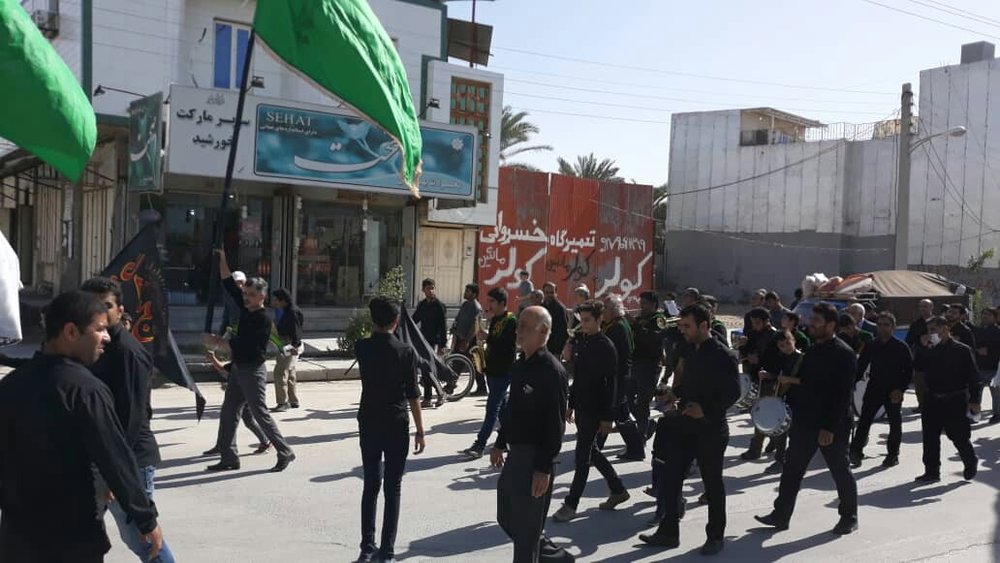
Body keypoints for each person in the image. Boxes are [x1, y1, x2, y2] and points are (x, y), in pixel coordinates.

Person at [0, 291, 164, 562]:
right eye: (99, 329)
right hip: (72, 537)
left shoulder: (10, 386)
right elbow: (115, 457)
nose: (107, 337)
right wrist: (146, 519)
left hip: (18, 539)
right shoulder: (86, 391)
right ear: (71, 332)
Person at [79, 277, 175, 563]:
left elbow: (131, 420)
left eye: (106, 306)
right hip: (102, 458)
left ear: (120, 311)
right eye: (91, 305)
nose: (98, 311)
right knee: (79, 534)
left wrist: (116, 473)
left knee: (143, 539)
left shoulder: (127, 353)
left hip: (129, 459)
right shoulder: (94, 346)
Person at [638, 304, 739, 555]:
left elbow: (733, 393)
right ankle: (668, 532)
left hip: (711, 428)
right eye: (681, 325)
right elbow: (689, 384)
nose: (682, 330)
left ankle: (715, 537)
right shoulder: (690, 349)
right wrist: (674, 394)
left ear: (704, 326)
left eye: (687, 326)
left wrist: (706, 411)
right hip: (685, 424)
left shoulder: (723, 355)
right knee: (671, 478)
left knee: (712, 484)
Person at [755, 303, 859, 535]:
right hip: (805, 421)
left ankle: (849, 517)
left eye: (817, 321)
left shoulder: (844, 354)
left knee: (840, 470)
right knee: (792, 469)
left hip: (832, 425)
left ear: (831, 325)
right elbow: (805, 383)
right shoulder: (812, 350)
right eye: (811, 320)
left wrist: (829, 428)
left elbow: (842, 396)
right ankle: (781, 515)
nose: (811, 324)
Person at [203, 248, 295, 472]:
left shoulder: (263, 319)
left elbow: (246, 346)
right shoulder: (245, 309)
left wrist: (217, 342)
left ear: (262, 296)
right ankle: (229, 458)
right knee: (228, 413)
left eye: (251, 294)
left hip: (252, 371)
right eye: (245, 293)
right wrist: (223, 258)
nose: (246, 297)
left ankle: (285, 451)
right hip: (238, 369)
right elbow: (228, 283)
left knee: (260, 413)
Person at [491, 306, 568, 563]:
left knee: (526, 534)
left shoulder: (552, 371)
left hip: (536, 457)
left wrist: (543, 469)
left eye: (525, 326)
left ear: (543, 331)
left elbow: (555, 425)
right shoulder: (520, 365)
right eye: (518, 325)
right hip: (516, 455)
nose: (518, 331)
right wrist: (500, 442)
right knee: (506, 516)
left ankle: (537, 554)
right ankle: (555, 557)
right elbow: (512, 410)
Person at [354, 297, 427, 563]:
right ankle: (387, 550)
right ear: (397, 321)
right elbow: (413, 394)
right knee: (392, 487)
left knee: (370, 485)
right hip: (396, 422)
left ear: (373, 320)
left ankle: (366, 548)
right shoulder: (406, 352)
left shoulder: (361, 347)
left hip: (369, 421)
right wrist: (420, 430)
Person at [552, 300, 629, 523]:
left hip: (597, 409)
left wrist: (607, 417)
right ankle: (617, 489)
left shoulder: (606, 346)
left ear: (599, 319)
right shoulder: (583, 342)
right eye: (581, 320)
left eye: (587, 320)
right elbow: (578, 377)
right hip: (583, 407)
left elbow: (611, 384)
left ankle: (571, 504)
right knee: (592, 451)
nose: (583, 324)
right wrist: (571, 403)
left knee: (582, 457)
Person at [912, 316, 979, 483]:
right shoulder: (928, 349)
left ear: (945, 328)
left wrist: (975, 400)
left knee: (958, 435)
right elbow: (918, 367)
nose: (931, 334)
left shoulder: (961, 350)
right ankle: (931, 471)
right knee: (930, 436)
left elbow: (973, 376)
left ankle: (970, 461)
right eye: (929, 330)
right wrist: (923, 348)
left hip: (955, 398)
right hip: (932, 397)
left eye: (934, 330)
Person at [849, 312, 913, 469]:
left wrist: (900, 389)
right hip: (874, 387)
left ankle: (893, 455)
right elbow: (861, 366)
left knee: (894, 423)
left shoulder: (901, 347)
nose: (882, 328)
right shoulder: (871, 345)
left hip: (894, 390)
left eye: (886, 325)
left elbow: (908, 371)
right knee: (864, 421)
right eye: (880, 324)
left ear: (893, 327)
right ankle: (856, 452)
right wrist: (851, 384)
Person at [462, 287, 518, 460]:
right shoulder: (495, 319)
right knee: (502, 409)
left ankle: (480, 444)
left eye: (492, 301)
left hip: (503, 370)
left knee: (492, 409)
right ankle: (508, 439)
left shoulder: (511, 320)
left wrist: (488, 337)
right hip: (492, 368)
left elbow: (508, 345)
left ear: (502, 303)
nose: (489, 305)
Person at [602, 294, 646, 461]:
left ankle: (594, 450)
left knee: (611, 412)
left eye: (605, 308)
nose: (602, 311)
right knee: (621, 414)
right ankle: (636, 448)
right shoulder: (617, 324)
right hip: (621, 375)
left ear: (614, 310)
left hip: (618, 376)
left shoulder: (617, 327)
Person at [204, 350, 271, 455]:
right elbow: (223, 369)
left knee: (231, 419)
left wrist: (212, 358)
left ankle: (223, 445)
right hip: (240, 392)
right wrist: (212, 359)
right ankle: (265, 441)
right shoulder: (238, 360)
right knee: (245, 420)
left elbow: (223, 369)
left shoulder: (246, 359)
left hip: (244, 393)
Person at [762, 331, 806, 475]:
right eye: (782, 345)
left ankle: (791, 460)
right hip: (784, 397)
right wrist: (768, 375)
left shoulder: (803, 359)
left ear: (794, 341)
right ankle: (780, 460)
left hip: (799, 399)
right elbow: (778, 376)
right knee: (782, 430)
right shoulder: (781, 358)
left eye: (788, 343)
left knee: (795, 434)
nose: (786, 347)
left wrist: (790, 380)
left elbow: (808, 381)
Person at [631, 291, 667, 439]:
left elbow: (653, 339)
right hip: (635, 363)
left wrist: (635, 326)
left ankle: (642, 434)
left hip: (650, 365)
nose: (641, 307)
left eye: (644, 304)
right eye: (641, 303)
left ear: (653, 305)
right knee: (627, 399)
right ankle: (647, 423)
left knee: (643, 401)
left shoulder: (659, 319)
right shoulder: (639, 318)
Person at [413, 278, 448, 407]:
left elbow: (443, 327)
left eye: (432, 288)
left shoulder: (439, 306)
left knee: (430, 370)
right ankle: (427, 398)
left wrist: (442, 345)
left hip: (434, 342)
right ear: (423, 290)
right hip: (423, 341)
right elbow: (414, 320)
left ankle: (440, 393)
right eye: (428, 288)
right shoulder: (422, 305)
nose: (431, 291)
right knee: (425, 369)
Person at [270, 288, 304, 412]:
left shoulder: (292, 312)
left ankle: (282, 402)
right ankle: (293, 400)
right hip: (288, 343)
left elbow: (296, 331)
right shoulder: (288, 310)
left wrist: (294, 346)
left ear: (283, 300)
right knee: (290, 372)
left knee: (280, 372)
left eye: (276, 300)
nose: (274, 302)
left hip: (289, 344)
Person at [452, 283, 485, 395]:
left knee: (477, 364)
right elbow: (458, 319)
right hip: (461, 338)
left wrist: (467, 341)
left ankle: (482, 388)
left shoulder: (476, 307)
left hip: (472, 341)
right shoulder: (465, 305)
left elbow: (475, 326)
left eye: (468, 291)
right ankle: (451, 385)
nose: (465, 293)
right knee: (457, 362)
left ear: (474, 294)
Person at [907, 299, 936, 412]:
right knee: (920, 385)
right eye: (921, 307)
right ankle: (922, 405)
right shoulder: (916, 324)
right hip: (920, 358)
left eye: (925, 306)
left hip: (936, 359)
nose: (923, 309)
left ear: (931, 307)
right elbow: (909, 341)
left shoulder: (938, 322)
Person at [974, 308, 1000, 424]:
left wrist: (989, 351)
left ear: (995, 317)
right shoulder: (978, 331)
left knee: (996, 393)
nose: (985, 316)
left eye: (988, 314)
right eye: (983, 314)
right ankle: (974, 414)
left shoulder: (997, 331)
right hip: (979, 366)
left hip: (994, 367)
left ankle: (997, 414)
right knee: (976, 391)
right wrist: (977, 350)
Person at [542, 282, 570, 357]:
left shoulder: (560, 309)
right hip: (542, 348)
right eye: (547, 292)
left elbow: (563, 331)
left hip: (554, 351)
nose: (549, 295)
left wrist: (557, 349)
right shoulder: (541, 307)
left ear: (555, 293)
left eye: (552, 292)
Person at [219, 270, 247, 335]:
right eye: (237, 283)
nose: (240, 285)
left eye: (241, 282)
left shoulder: (249, 297)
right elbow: (226, 316)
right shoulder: (230, 298)